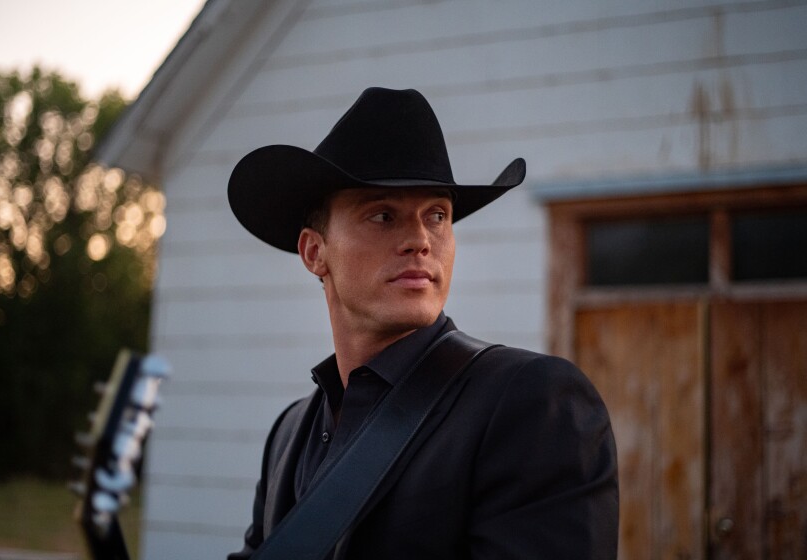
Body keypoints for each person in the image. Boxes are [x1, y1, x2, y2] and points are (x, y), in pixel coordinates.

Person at [226, 87, 618, 559]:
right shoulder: (288, 433)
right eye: (383, 215)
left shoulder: (535, 403)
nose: (419, 239)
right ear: (314, 252)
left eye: (437, 215)